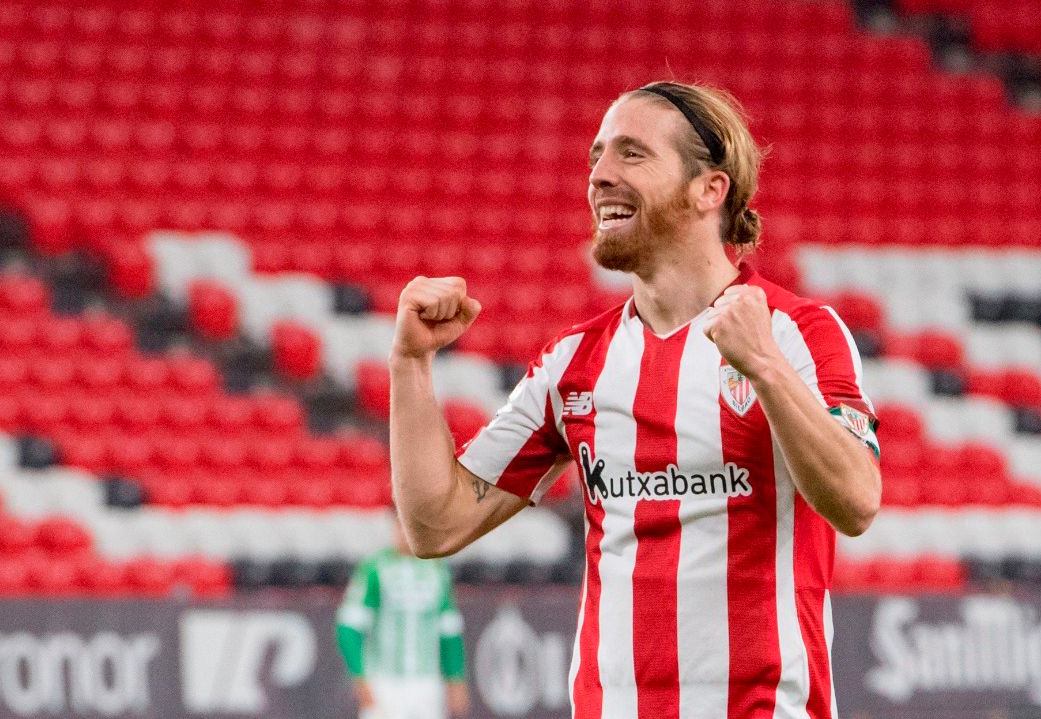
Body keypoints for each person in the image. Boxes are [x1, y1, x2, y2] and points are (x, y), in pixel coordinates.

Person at [388, 81, 882, 719]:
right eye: (597, 156)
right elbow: (435, 523)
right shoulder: (575, 362)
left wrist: (762, 365)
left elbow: (858, 502)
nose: (599, 175)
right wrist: (411, 364)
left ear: (710, 188)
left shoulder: (799, 333)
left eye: (631, 154)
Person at [335, 510, 470, 719]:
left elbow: (449, 631)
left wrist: (455, 678)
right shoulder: (374, 568)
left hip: (427, 683)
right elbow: (348, 627)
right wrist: (360, 676)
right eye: (401, 525)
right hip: (385, 683)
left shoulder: (437, 569)